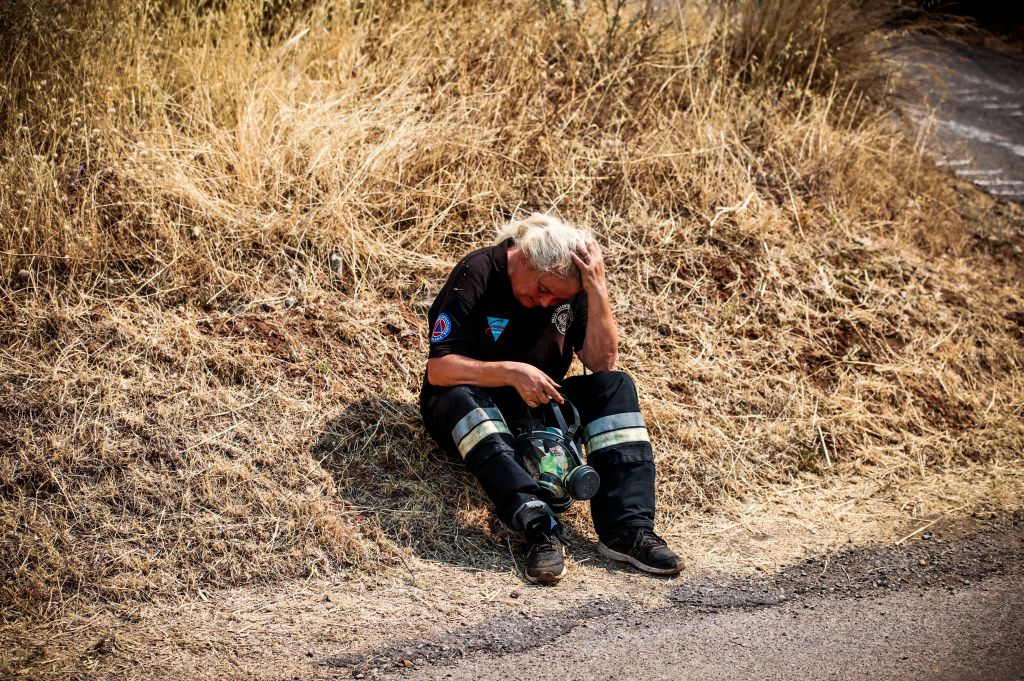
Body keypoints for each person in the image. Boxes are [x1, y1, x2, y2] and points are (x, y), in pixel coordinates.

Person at [419, 213, 682, 584]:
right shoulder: (478, 271)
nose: (545, 303)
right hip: (466, 403)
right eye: (543, 289)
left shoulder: (568, 292)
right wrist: (511, 373)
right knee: (464, 398)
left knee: (615, 386)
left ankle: (628, 530)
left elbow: (601, 361)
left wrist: (596, 289)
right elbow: (440, 369)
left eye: (557, 298)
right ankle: (540, 526)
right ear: (525, 257)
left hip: (536, 407)